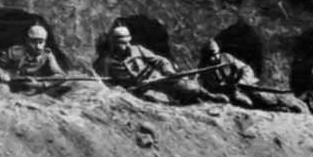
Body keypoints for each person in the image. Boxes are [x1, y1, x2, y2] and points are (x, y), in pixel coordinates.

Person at [93, 25, 225, 104]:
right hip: (139, 89)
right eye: (123, 43)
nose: (127, 45)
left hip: (158, 78)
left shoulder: (137, 49)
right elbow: (106, 83)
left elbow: (160, 60)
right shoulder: (107, 61)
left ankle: (208, 96)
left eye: (128, 41)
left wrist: (167, 70)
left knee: (189, 89)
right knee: (154, 100)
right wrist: (119, 89)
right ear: (114, 43)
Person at [198, 40, 305, 113]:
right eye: (210, 56)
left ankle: (286, 107)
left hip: (244, 87)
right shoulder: (203, 67)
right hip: (228, 93)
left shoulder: (227, 58)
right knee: (245, 103)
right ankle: (276, 109)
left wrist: (242, 82)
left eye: (215, 54)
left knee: (262, 97)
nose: (214, 58)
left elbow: (246, 69)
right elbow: (207, 87)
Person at [0, 24, 66, 94]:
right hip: (11, 82)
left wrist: (40, 85)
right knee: (3, 91)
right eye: (33, 42)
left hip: (33, 86)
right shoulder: (15, 52)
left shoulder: (47, 54)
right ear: (27, 41)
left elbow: (61, 76)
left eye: (41, 42)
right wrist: (1, 73)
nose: (38, 46)